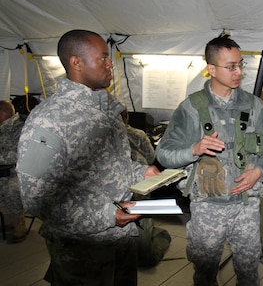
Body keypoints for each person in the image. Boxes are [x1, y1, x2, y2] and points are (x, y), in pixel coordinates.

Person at [16, 29, 160, 286]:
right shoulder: (49, 119)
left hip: (121, 241)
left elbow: (115, 165)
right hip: (82, 250)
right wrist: (107, 215)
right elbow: (36, 198)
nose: (110, 66)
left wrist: (142, 172)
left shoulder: (107, 111)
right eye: (103, 59)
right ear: (76, 62)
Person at [156, 34, 263, 285]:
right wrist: (193, 149)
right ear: (211, 69)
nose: (238, 72)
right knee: (205, 271)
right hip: (208, 207)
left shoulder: (253, 105)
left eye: (241, 65)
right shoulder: (191, 108)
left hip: (246, 205)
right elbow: (164, 153)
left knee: (249, 271)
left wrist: (259, 171)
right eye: (231, 66)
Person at [0, 100, 27, 243]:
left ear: (3, 113)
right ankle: (6, 219)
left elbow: (19, 154)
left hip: (19, 171)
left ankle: (19, 223)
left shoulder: (19, 128)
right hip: (3, 171)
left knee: (12, 188)